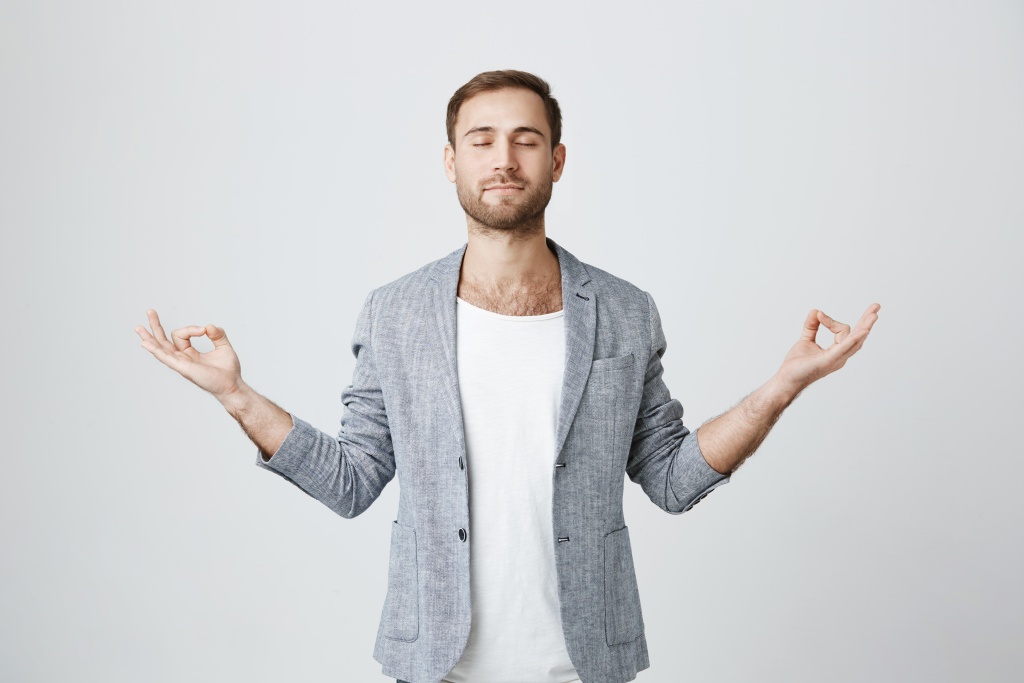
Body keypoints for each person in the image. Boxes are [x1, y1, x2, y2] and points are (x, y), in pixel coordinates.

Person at [135, 70, 880, 683]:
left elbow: (673, 477)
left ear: (556, 160)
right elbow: (353, 479)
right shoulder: (394, 312)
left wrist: (784, 383)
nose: (504, 159)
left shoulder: (623, 310)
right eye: (481, 140)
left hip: (584, 665)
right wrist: (236, 394)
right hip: (437, 666)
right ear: (450, 160)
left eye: (526, 140)